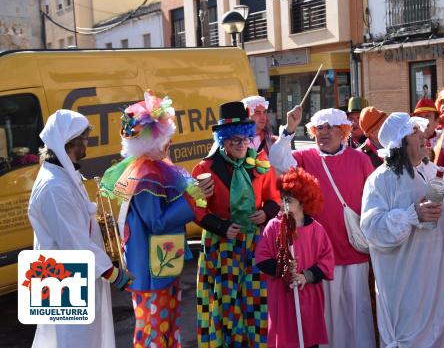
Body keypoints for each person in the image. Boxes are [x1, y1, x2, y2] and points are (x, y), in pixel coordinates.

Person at [361, 112, 444, 348]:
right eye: (414, 132)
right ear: (399, 142)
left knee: (440, 331)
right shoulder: (381, 180)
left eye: (421, 130)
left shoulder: (437, 173)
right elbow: (372, 229)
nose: (424, 136)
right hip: (404, 282)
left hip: (438, 277)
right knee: (408, 335)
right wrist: (411, 215)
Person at [100, 91, 204, 347]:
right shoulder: (146, 175)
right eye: (165, 139)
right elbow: (156, 222)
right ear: (152, 141)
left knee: (165, 326)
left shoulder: (152, 169)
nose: (169, 144)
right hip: (151, 270)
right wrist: (191, 200)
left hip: (161, 264)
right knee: (154, 330)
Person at [269, 106, 376, 348]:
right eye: (319, 128)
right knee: (325, 316)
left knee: (356, 313)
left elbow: (372, 201)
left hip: (354, 251)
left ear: (344, 131)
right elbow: (276, 161)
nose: (324, 133)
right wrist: (289, 130)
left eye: (331, 127)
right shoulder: (304, 158)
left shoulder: (360, 159)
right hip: (318, 254)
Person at [28, 109, 133, 348]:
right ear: (70, 144)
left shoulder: (62, 176)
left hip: (73, 275)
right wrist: (114, 274)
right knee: (72, 341)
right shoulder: (54, 186)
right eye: (84, 140)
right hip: (63, 278)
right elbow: (74, 242)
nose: (87, 146)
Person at [192, 101, 280, 348]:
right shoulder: (206, 169)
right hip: (221, 247)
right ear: (223, 140)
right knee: (224, 303)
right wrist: (220, 226)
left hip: (254, 245)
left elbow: (274, 198)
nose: (242, 145)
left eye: (245, 140)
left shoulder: (259, 164)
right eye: (234, 141)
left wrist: (265, 214)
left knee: (255, 301)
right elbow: (196, 208)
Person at [256, 167, 335, 348]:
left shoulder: (316, 230)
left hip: (308, 298)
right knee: (286, 338)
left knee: (308, 337)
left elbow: (327, 260)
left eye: (289, 201)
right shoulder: (274, 226)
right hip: (283, 299)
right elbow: (261, 257)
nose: (284, 204)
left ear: (303, 201)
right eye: (282, 199)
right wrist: (283, 268)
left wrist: (306, 276)